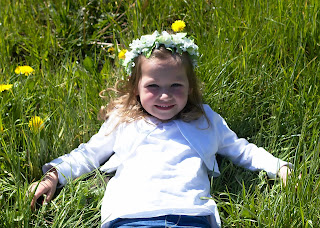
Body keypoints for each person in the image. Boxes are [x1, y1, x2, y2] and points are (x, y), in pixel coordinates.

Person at [29, 31, 292, 228]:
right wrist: (54, 175)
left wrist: (279, 167)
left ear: (190, 87)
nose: (165, 96)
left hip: (190, 215)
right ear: (136, 87)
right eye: (153, 87)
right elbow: (88, 154)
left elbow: (241, 150)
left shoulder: (205, 120)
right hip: (130, 216)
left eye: (175, 86)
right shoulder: (124, 120)